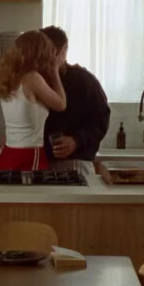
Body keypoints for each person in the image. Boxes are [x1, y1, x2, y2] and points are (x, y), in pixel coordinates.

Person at [39, 26, 110, 176]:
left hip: (76, 163)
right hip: (39, 163)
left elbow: (101, 120)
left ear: (63, 51)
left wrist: (76, 140)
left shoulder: (84, 80)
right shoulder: (33, 81)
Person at [0, 30, 66, 170]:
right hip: (29, 153)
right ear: (39, 53)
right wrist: (54, 71)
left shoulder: (9, 78)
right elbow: (61, 104)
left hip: (8, 151)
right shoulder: (32, 78)